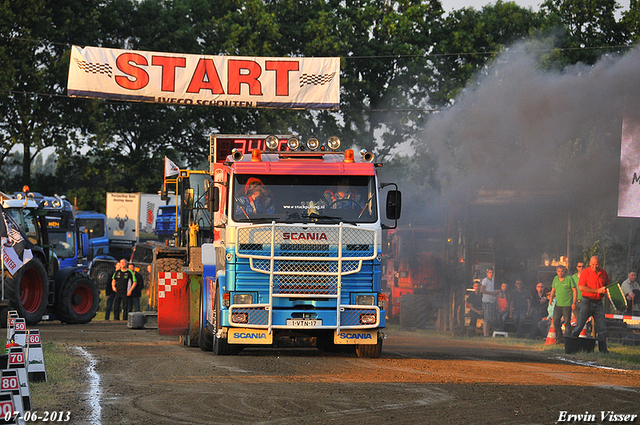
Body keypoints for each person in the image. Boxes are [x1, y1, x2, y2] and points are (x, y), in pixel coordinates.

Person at [571, 256, 609, 353]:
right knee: (580, 324)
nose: (594, 267)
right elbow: (581, 287)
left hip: (599, 303)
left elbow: (607, 287)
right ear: (589, 264)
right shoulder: (585, 272)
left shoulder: (603, 273)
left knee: (602, 327)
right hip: (587, 302)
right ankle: (571, 345)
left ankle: (603, 350)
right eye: (592, 264)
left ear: (599, 264)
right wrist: (597, 290)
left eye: (596, 265)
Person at [549, 265, 577, 344]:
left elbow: (575, 290)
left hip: (567, 304)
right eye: (558, 271)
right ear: (556, 272)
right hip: (558, 304)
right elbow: (553, 289)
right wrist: (551, 298)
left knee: (567, 322)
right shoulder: (555, 279)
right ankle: (559, 339)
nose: (560, 273)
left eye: (562, 271)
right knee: (556, 321)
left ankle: (568, 339)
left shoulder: (569, 279)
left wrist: (574, 302)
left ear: (565, 271)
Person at [480, 268, 499, 337]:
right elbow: (482, 290)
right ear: (487, 273)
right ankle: (485, 334)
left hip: (491, 301)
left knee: (490, 318)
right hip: (486, 301)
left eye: (492, 273)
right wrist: (492, 293)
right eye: (490, 272)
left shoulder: (492, 281)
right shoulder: (485, 281)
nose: (491, 274)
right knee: (486, 318)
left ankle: (488, 333)